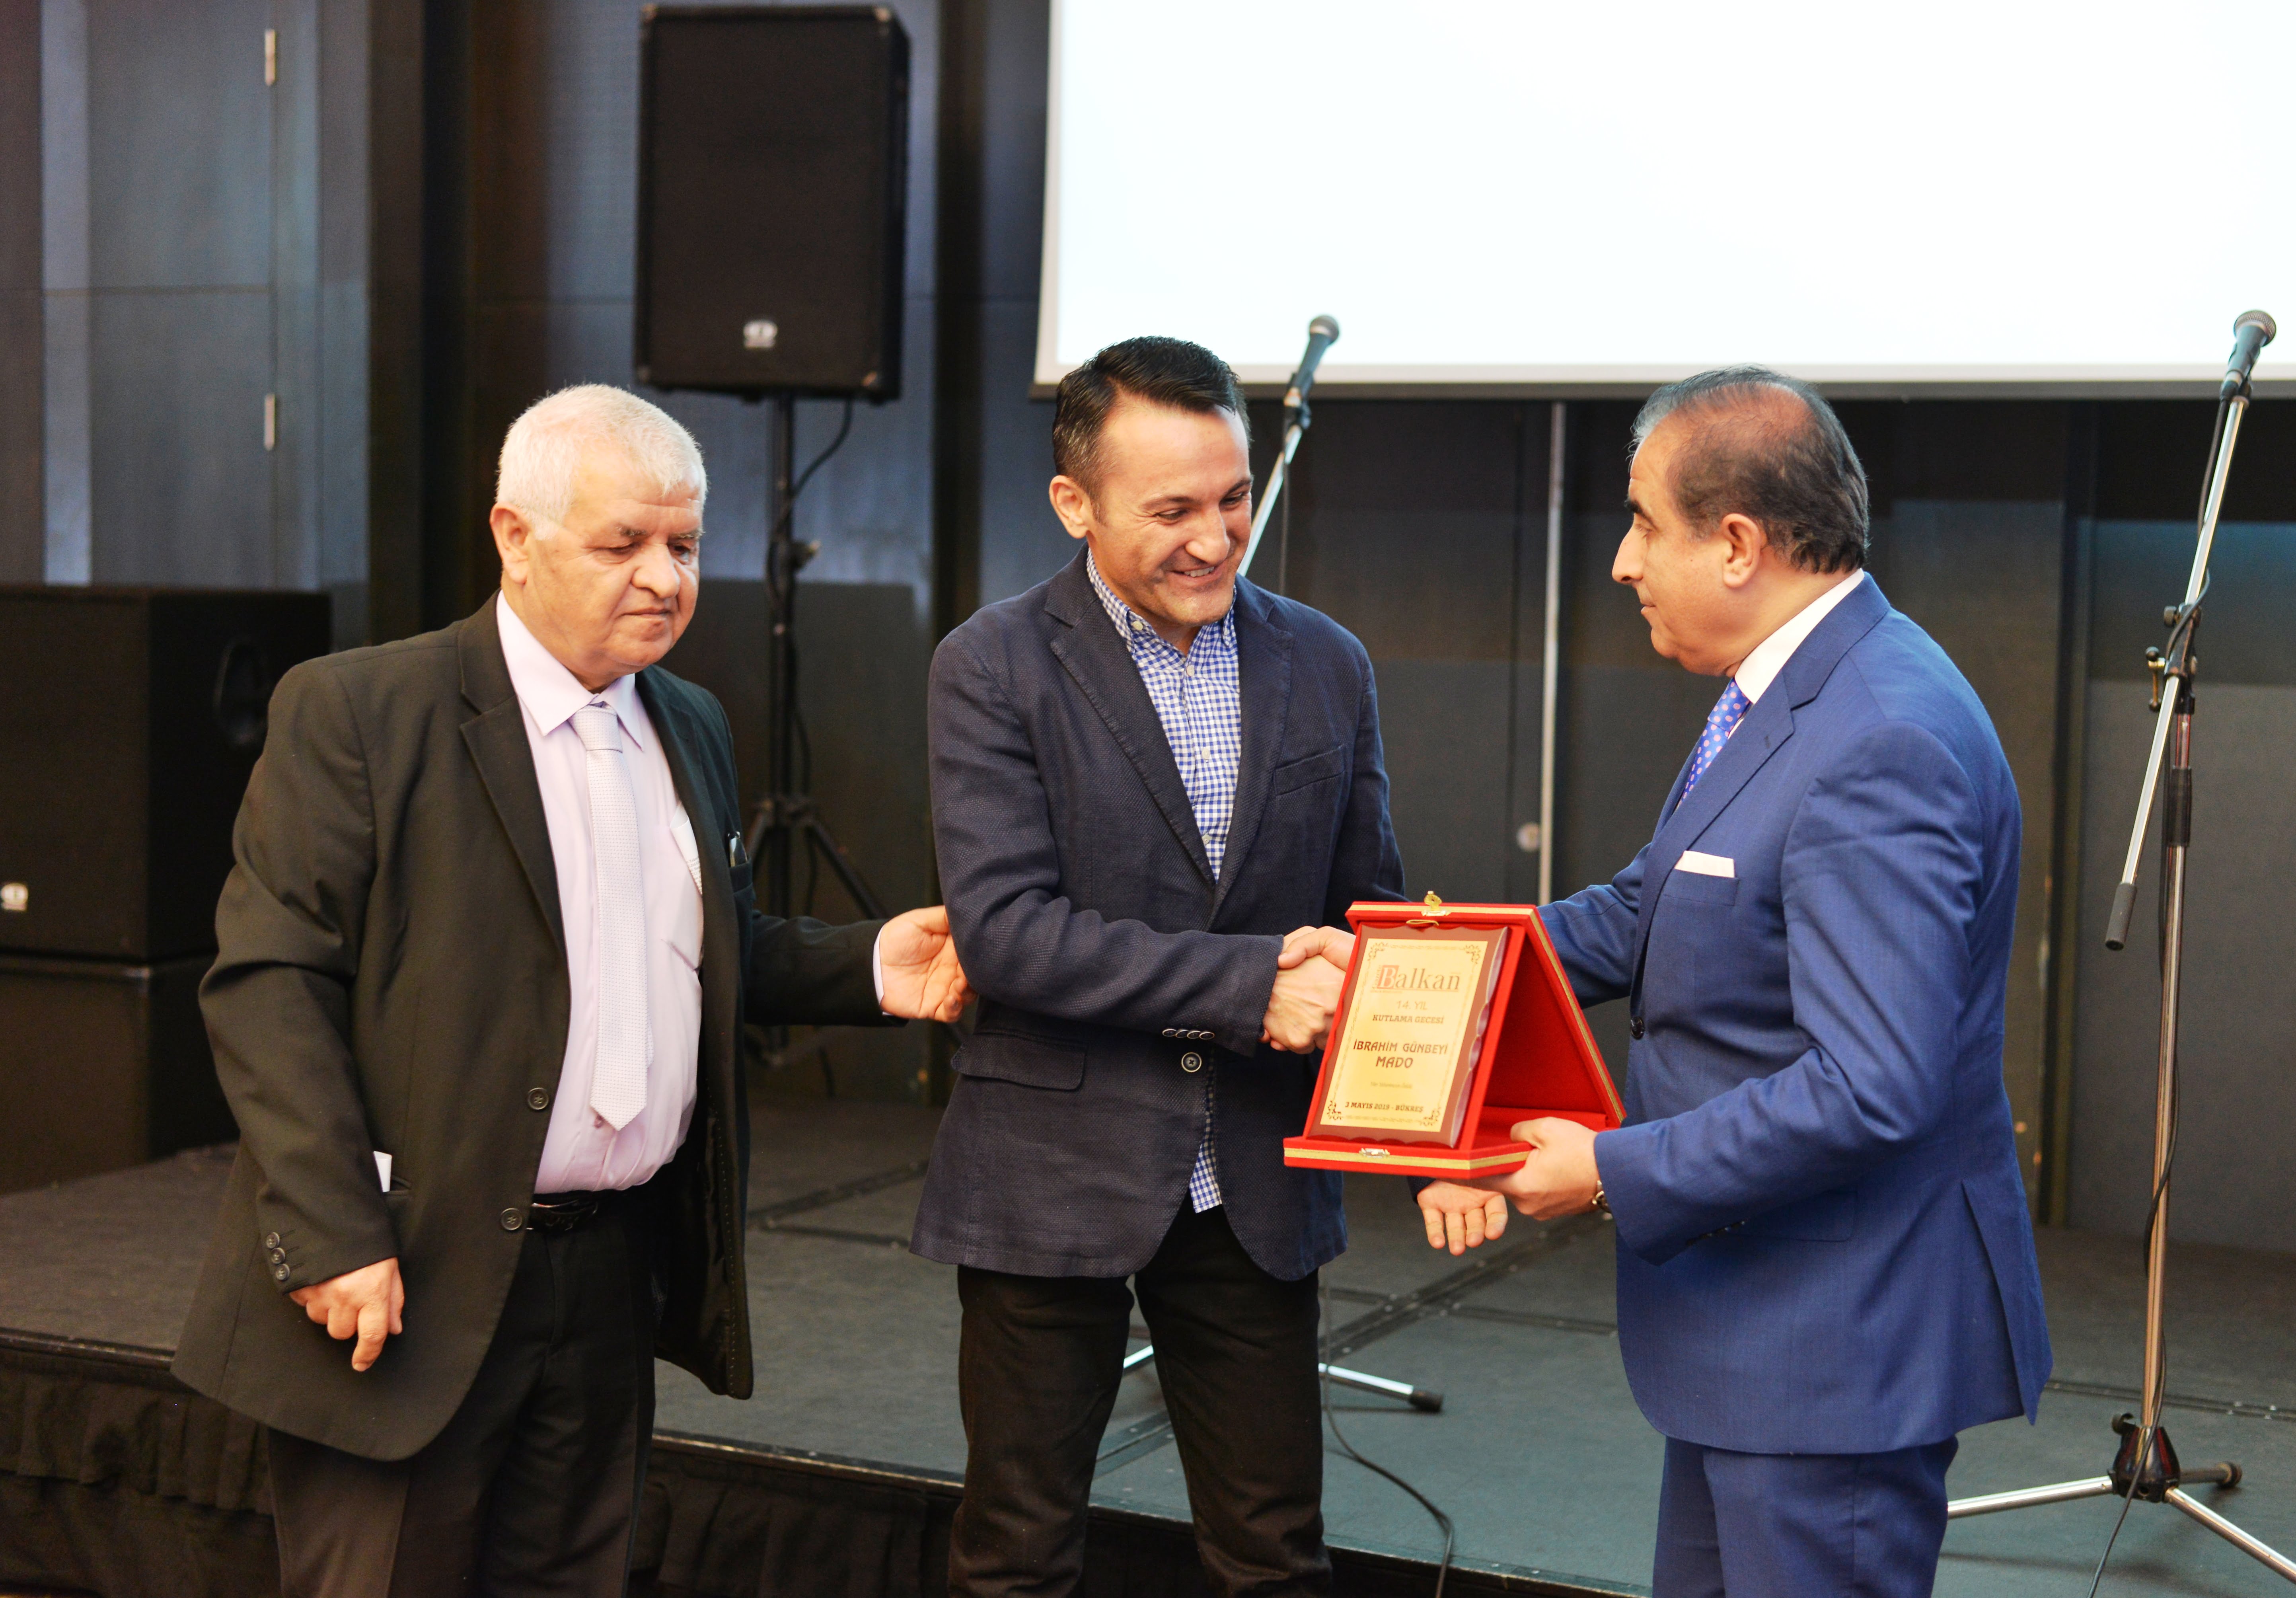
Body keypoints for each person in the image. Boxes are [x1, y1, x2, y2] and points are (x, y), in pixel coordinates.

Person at [173, 385, 970, 1596]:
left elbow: (687, 949)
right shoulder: (361, 710)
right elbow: (270, 982)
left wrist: (864, 966)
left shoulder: (690, 722)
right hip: (408, 1272)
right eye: (623, 544)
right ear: (515, 536)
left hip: (608, 1279)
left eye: (685, 546)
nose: (664, 578)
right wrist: (332, 1232)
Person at [1419, 368, 2052, 1597]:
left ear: (1740, 545)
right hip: (1761, 1336)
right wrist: (1422, 972)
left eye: (1644, 523)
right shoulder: (1791, 691)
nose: (1622, 563)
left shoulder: (1880, 737)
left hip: (1833, 1347)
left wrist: (1607, 1170)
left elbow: (1873, 1086)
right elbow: (1650, 909)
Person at [913, 336, 1404, 1597]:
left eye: (1233, 499)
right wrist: (1251, 988)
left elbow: (1373, 915)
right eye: (1172, 510)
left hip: (1254, 1173)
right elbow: (1007, 932)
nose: (1215, 538)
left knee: (1275, 1556)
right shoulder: (991, 666)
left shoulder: (1328, 660)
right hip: (1049, 1172)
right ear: (1074, 503)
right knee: (1016, 1555)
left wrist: (1442, 1113)